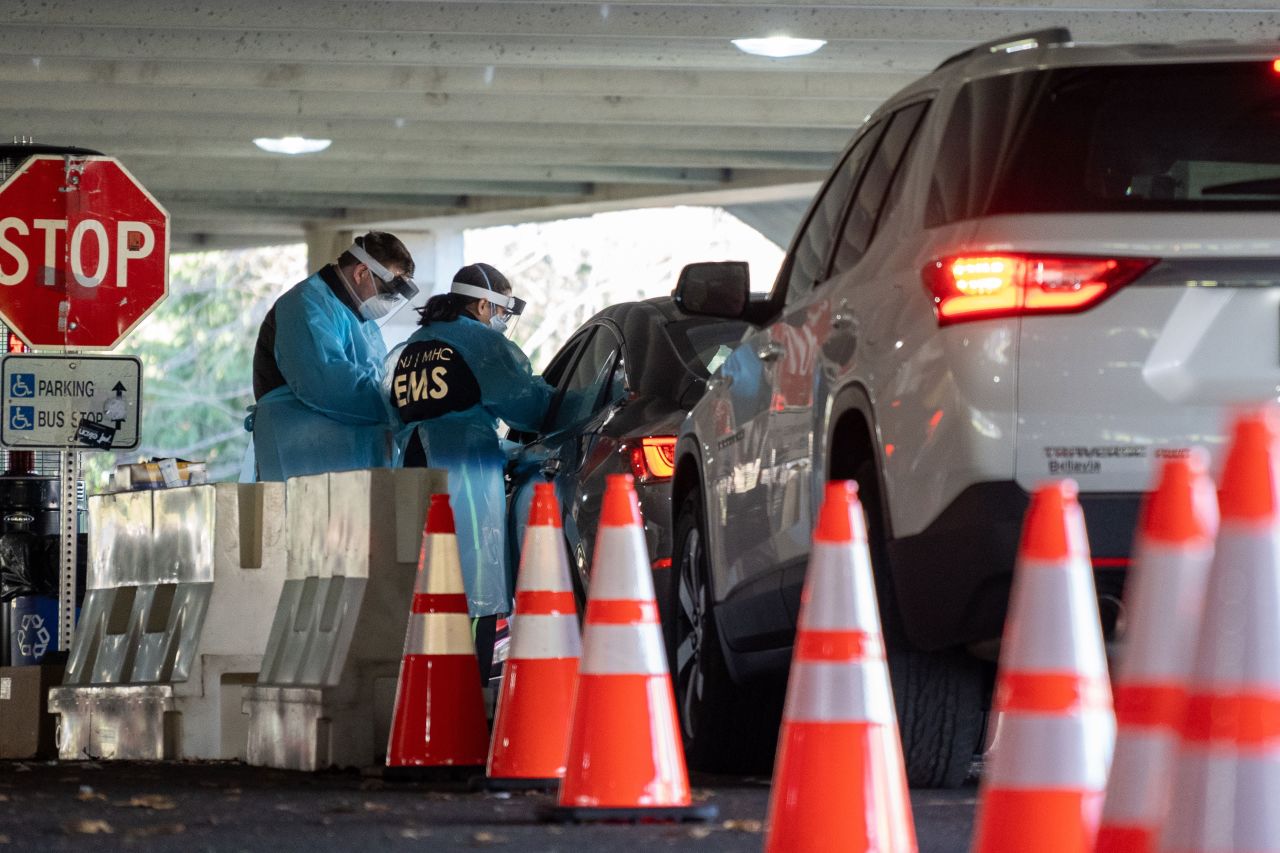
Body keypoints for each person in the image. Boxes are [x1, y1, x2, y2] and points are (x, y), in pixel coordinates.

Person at [386, 262, 554, 675]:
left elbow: (395, 413)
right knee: (472, 578)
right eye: (501, 312)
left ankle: (422, 681)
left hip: (412, 469)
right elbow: (528, 408)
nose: (502, 322)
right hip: (466, 474)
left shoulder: (410, 346)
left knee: (422, 581)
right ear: (483, 305)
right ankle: (469, 686)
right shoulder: (479, 343)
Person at [250, 232, 417, 481]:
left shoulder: (362, 320)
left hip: (346, 468)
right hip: (304, 464)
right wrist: (401, 403)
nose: (390, 300)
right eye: (388, 290)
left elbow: (378, 377)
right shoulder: (305, 305)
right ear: (361, 272)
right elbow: (329, 385)